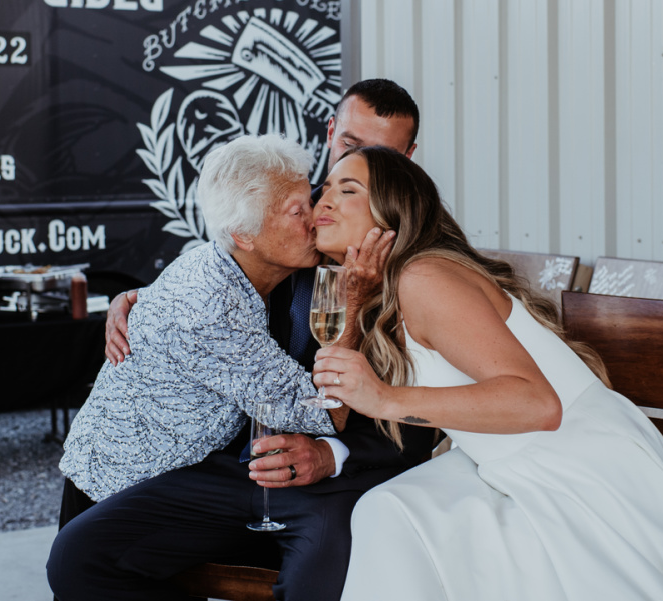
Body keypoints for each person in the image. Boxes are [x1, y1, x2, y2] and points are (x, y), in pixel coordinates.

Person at [48, 83, 436, 601]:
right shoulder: (284, 231)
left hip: (305, 479)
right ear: (329, 136)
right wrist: (152, 300)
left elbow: (421, 410)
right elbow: (216, 287)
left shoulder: (402, 262)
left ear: (409, 158)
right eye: (350, 144)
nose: (320, 209)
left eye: (382, 153)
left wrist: (334, 452)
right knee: (88, 564)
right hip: (135, 481)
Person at [309, 146, 663, 600]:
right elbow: (335, 406)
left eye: (349, 189)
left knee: (406, 523)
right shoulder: (392, 287)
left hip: (576, 465)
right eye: (325, 189)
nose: (326, 200)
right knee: (388, 509)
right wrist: (355, 300)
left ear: (394, 211)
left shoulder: (425, 278)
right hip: (507, 461)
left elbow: (537, 403)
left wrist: (386, 399)